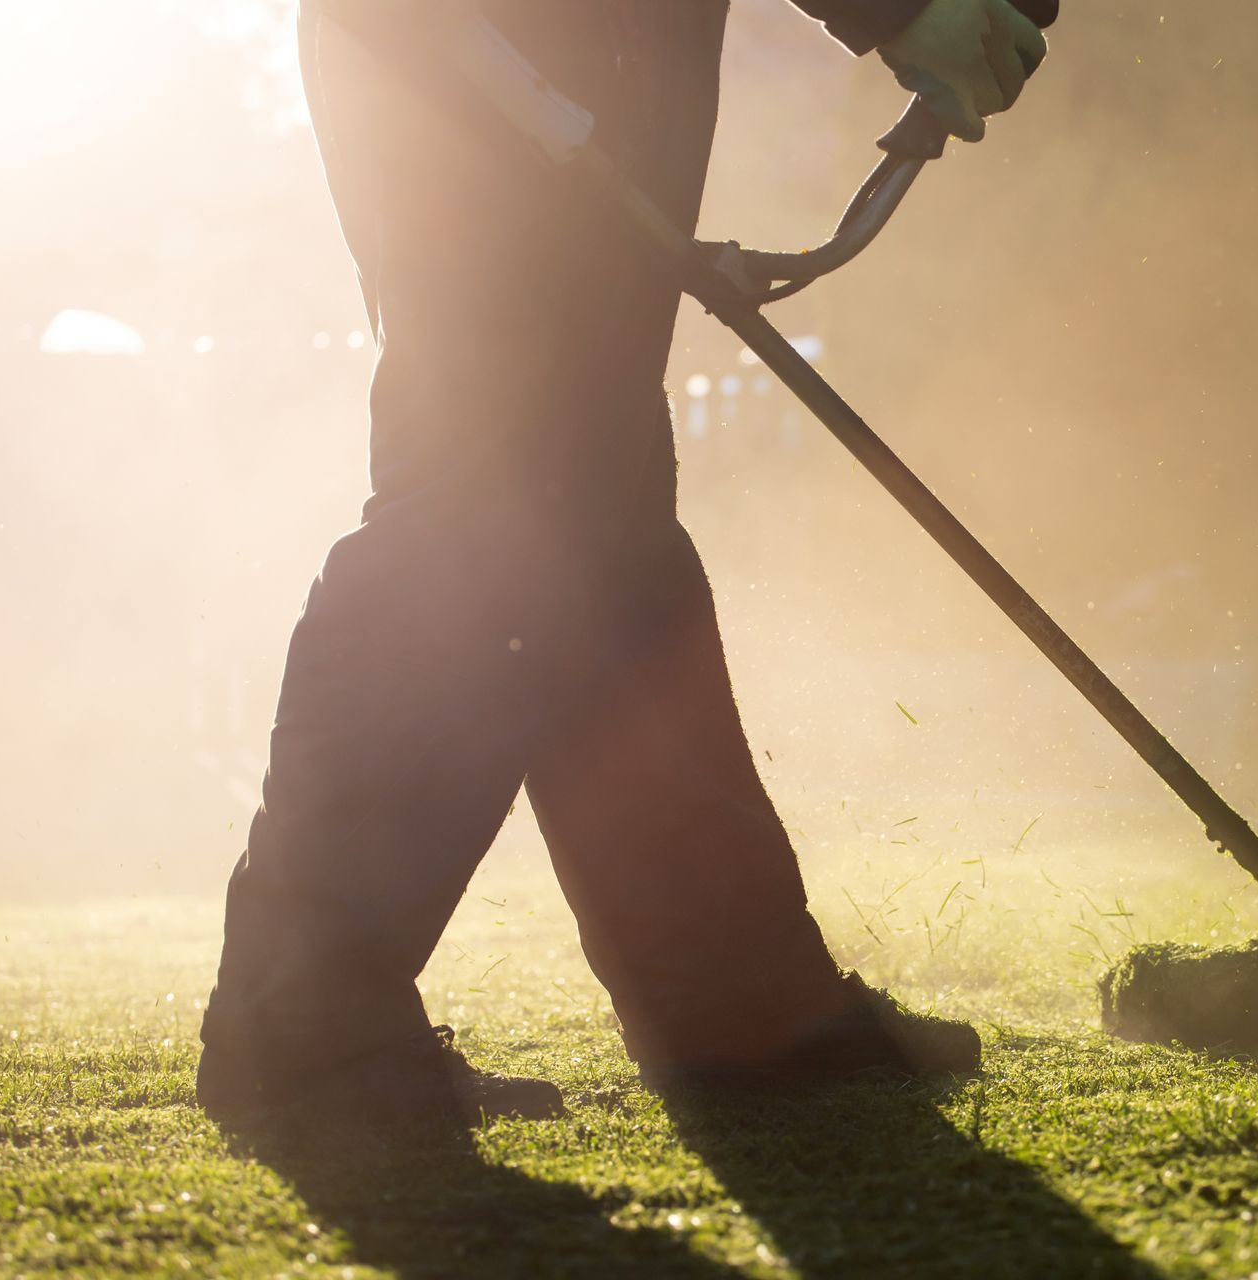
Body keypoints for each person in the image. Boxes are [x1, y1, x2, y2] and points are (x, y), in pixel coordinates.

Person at [196, 0, 1050, 1127]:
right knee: (486, 498)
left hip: (579, 39)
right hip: (485, 40)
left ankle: (739, 1009)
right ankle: (299, 1025)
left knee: (597, 506)